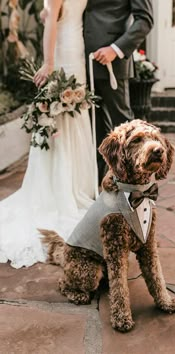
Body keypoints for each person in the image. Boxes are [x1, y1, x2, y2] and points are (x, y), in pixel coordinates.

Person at [0, 0, 96, 268]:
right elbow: (60, 13)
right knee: (70, 118)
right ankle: (75, 185)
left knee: (60, 119)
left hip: (62, 55)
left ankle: (60, 189)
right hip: (75, 51)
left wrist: (49, 63)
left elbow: (53, 20)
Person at [83, 0, 154, 183]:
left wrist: (116, 49)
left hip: (111, 63)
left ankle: (134, 185)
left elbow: (145, 20)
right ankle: (103, 184)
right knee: (95, 130)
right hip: (81, 63)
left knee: (125, 129)